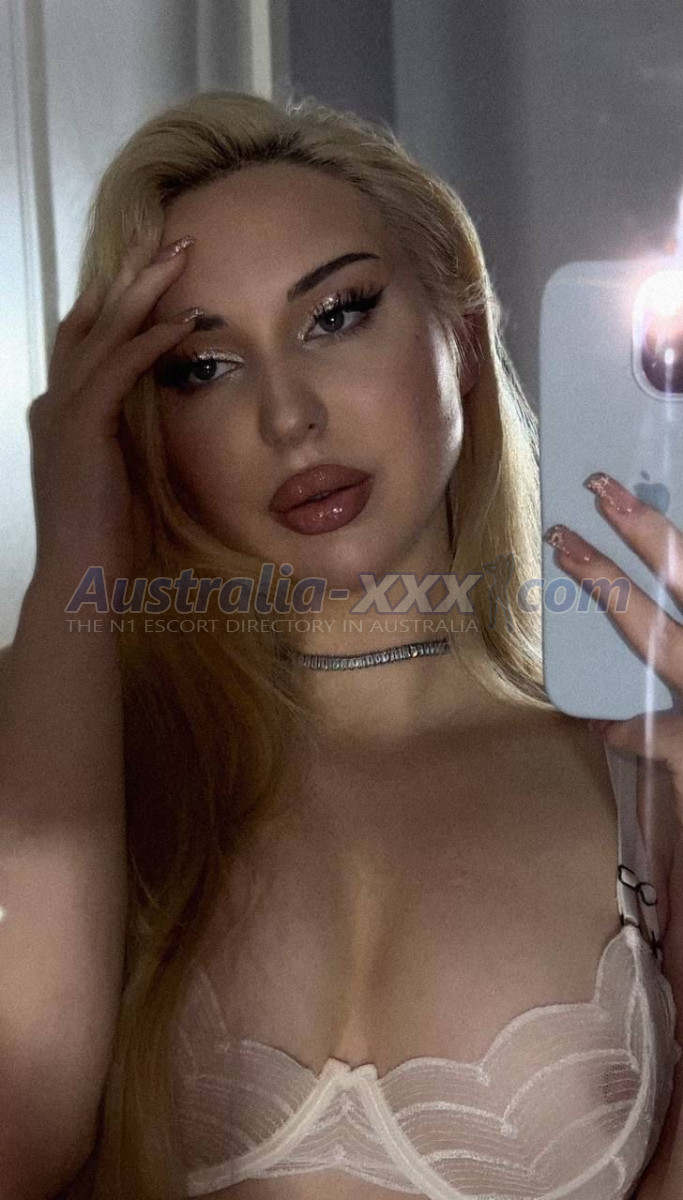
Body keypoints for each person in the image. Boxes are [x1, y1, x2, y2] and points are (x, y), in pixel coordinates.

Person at [2, 89, 682, 1200]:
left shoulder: (644, 787)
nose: (287, 417)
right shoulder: (96, 770)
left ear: (462, 336)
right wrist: (77, 538)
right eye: (201, 367)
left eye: (336, 314)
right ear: (142, 423)